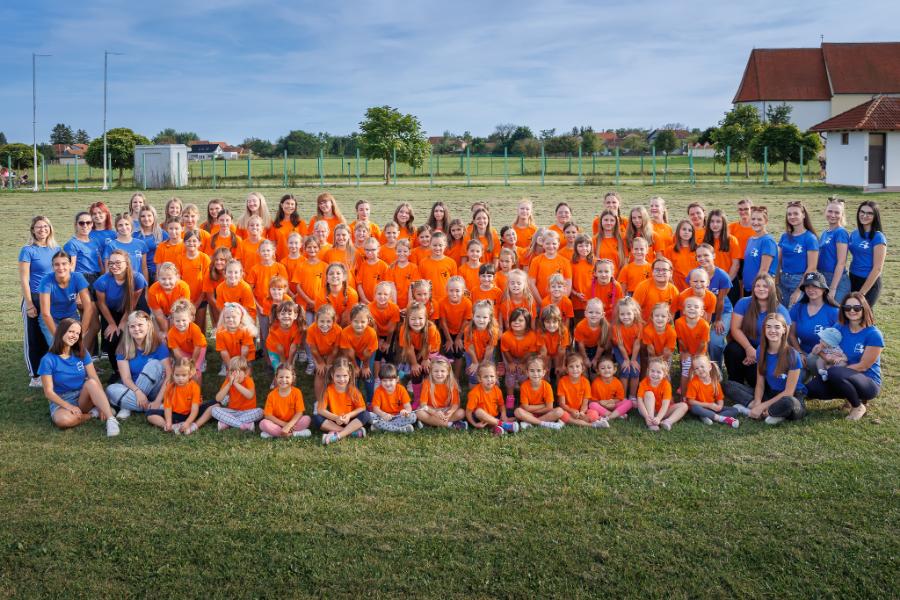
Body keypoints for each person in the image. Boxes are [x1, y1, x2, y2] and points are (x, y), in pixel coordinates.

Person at [805, 293, 883, 421]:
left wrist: (835, 372)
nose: (852, 311)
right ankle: (848, 394)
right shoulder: (839, 327)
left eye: (857, 308)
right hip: (840, 373)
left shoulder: (873, 334)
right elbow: (825, 347)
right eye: (847, 307)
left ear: (864, 308)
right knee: (811, 389)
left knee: (835, 372)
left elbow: (864, 366)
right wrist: (821, 354)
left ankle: (858, 406)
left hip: (868, 381)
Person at [38, 318, 120, 436]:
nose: (74, 336)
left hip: (83, 396)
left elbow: (94, 378)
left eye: (77, 333)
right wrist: (69, 406)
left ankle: (111, 419)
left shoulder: (82, 352)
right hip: (62, 399)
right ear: (61, 332)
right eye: (71, 331)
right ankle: (92, 414)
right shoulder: (48, 360)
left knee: (91, 382)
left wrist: (104, 404)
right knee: (63, 420)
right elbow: (49, 393)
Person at [723, 313, 807, 425]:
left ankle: (757, 411)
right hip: (770, 393)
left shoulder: (792, 355)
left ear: (784, 330)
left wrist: (762, 405)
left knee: (789, 403)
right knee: (728, 385)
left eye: (777, 327)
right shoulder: (761, 350)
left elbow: (789, 392)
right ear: (764, 330)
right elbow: (760, 383)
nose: (772, 330)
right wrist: (758, 402)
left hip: (791, 396)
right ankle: (767, 412)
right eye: (768, 327)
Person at [725, 274, 790, 388]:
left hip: (768, 349)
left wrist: (759, 353)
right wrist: (748, 348)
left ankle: (753, 385)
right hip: (746, 344)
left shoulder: (780, 310)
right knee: (732, 350)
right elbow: (735, 328)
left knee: (754, 378)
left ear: (772, 289)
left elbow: (783, 339)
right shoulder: (743, 303)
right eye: (757, 286)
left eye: (765, 286)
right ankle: (735, 384)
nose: (761, 289)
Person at [105, 311, 172, 420]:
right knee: (110, 389)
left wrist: (157, 400)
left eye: (140, 325)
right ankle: (155, 407)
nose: (136, 329)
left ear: (148, 325)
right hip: (133, 389)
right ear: (128, 329)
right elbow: (126, 378)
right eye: (132, 326)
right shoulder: (124, 348)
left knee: (154, 364)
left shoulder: (159, 345)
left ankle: (128, 406)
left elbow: (169, 376)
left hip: (155, 390)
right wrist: (138, 393)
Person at [20, 216, 60, 387]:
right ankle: (35, 376)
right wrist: (29, 304)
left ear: (50, 229)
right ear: (33, 230)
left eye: (45, 226)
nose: (42, 229)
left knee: (50, 335)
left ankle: (50, 370)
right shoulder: (28, 250)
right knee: (33, 336)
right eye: (38, 227)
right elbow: (24, 279)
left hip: (52, 297)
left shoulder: (56, 249)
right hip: (34, 296)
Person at [94, 249, 147, 374]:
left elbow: (132, 304)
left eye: (118, 262)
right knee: (112, 338)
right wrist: (112, 324)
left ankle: (137, 366)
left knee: (132, 334)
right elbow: (101, 304)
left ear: (127, 263)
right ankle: (117, 370)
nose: (114, 266)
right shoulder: (102, 281)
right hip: (110, 311)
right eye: (111, 263)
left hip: (132, 309)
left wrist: (123, 322)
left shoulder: (137, 279)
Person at [146, 358, 216, 435]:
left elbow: (195, 409)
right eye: (177, 375)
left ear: (190, 375)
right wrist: (168, 422)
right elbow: (168, 408)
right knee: (150, 414)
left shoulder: (195, 387)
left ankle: (194, 426)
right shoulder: (169, 388)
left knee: (215, 404)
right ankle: (169, 427)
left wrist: (187, 422)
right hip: (176, 415)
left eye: (184, 375)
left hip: (191, 414)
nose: (180, 378)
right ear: (173, 374)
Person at [788, 272, 839, 375]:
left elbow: (839, 341)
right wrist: (799, 353)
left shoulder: (834, 312)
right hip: (803, 354)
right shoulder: (798, 307)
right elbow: (791, 334)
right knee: (794, 379)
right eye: (807, 286)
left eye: (815, 286)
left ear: (823, 289)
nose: (810, 289)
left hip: (825, 357)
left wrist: (825, 357)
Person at [38, 250, 92, 345]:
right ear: (52, 267)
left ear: (70, 265)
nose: (61, 267)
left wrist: (81, 333)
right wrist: (58, 338)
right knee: (58, 346)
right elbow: (45, 313)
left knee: (76, 346)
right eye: (57, 264)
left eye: (64, 264)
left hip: (71, 316)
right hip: (51, 317)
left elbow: (88, 308)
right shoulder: (46, 281)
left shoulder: (78, 277)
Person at [316, 357, 371, 445]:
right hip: (336, 421)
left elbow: (362, 407)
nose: (342, 379)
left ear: (349, 375)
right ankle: (351, 432)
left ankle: (338, 436)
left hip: (351, 421)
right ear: (332, 375)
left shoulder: (353, 390)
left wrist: (349, 415)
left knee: (365, 415)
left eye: (345, 376)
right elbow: (320, 410)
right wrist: (336, 418)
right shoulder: (328, 390)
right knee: (317, 418)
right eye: (338, 376)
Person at [778, 201, 819, 307]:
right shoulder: (784, 236)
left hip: (800, 281)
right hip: (783, 280)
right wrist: (776, 283)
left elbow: (812, 268)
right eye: (789, 214)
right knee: (782, 313)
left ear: (803, 215)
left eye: (796, 213)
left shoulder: (810, 238)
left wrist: (798, 291)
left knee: (794, 312)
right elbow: (778, 261)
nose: (792, 217)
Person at [684, 354, 740, 428]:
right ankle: (720, 418)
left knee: (734, 410)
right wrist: (708, 405)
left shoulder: (714, 382)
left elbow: (719, 398)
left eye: (702, 366)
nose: (700, 369)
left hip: (712, 408)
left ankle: (708, 416)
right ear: (694, 371)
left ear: (709, 367)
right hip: (701, 407)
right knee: (694, 408)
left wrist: (719, 406)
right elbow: (690, 401)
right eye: (696, 368)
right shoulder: (693, 383)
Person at [848, 201, 886, 307]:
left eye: (869, 213)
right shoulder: (854, 233)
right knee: (852, 311)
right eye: (862, 212)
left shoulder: (878, 237)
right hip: (853, 277)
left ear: (875, 216)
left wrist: (862, 292)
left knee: (863, 312)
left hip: (869, 281)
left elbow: (878, 268)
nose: (865, 215)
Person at [259, 363, 312, 439]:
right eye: (281, 377)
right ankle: (294, 434)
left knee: (306, 419)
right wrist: (284, 424)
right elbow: (268, 415)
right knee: (263, 423)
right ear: (276, 378)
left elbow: (299, 413)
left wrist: (289, 425)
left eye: (287, 377)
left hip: (292, 423)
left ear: (292, 378)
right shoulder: (271, 395)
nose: (284, 380)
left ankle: (275, 434)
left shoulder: (297, 392)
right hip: (276, 424)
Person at [212, 356, 264, 432]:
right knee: (214, 410)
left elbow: (250, 395)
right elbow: (218, 399)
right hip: (232, 412)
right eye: (232, 371)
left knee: (260, 412)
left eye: (238, 371)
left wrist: (236, 384)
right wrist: (229, 385)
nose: (234, 374)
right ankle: (242, 425)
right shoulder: (228, 381)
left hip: (248, 412)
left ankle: (228, 422)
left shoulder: (248, 380)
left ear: (245, 373)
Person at [466, 362, 519, 435]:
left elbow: (501, 405)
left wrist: (503, 415)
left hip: (494, 416)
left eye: (492, 376)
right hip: (480, 418)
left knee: (516, 413)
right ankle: (504, 425)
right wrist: (474, 424)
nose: (489, 379)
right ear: (479, 379)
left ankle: (496, 427)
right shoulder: (474, 393)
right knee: (478, 411)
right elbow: (468, 412)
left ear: (496, 377)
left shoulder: (497, 390)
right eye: (485, 377)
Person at [636, 357, 686, 431]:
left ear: (664, 374)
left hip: (662, 411)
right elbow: (639, 401)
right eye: (652, 371)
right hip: (646, 410)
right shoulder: (643, 383)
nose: (655, 374)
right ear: (648, 371)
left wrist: (659, 417)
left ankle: (668, 422)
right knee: (649, 394)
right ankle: (651, 421)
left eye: (658, 372)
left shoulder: (666, 385)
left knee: (684, 406)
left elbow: (665, 404)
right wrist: (646, 416)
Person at [817, 198, 851, 304]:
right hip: (823, 277)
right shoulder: (825, 232)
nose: (833, 215)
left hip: (836, 280)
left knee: (835, 311)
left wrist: (833, 288)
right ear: (825, 212)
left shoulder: (840, 232)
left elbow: (841, 262)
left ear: (842, 215)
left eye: (837, 212)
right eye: (830, 211)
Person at [369, 364, 417, 433]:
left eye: (391, 380)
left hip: (398, 417)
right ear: (380, 381)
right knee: (369, 415)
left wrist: (406, 411)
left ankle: (382, 427)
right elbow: (375, 409)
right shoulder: (378, 391)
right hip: (384, 417)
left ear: (397, 379)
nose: (388, 383)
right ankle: (399, 429)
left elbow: (408, 407)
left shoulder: (401, 389)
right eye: (384, 381)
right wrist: (383, 414)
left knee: (413, 416)